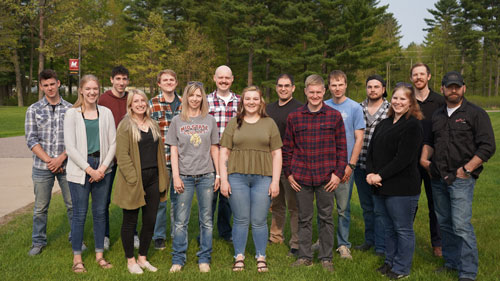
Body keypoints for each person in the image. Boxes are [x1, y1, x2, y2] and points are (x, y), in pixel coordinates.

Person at [421, 71, 495, 281]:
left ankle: (468, 272)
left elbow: (488, 146)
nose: (453, 90)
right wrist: (424, 160)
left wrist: (467, 170)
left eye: (457, 86)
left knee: (461, 225)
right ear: (442, 88)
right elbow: (429, 141)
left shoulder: (475, 113)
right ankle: (451, 262)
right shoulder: (437, 114)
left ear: (464, 88)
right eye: (449, 86)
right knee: (444, 222)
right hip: (437, 177)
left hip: (461, 179)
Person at [284, 74, 347, 272]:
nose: (315, 95)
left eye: (318, 92)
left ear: (323, 92)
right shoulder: (294, 117)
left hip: (326, 177)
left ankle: (326, 257)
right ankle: (304, 256)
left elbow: (342, 149)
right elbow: (287, 148)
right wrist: (289, 174)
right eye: (311, 92)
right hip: (301, 177)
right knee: (304, 217)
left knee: (326, 217)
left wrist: (337, 174)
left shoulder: (334, 116)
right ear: (305, 92)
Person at [220, 86, 282, 272]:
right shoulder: (234, 123)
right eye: (248, 98)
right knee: (240, 218)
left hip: (263, 178)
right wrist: (224, 179)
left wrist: (275, 181)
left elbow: (277, 153)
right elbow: (224, 152)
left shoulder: (269, 123)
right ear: (243, 101)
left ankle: (260, 256)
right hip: (237, 177)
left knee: (259, 219)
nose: (251, 102)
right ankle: (239, 255)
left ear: (261, 101)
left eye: (255, 98)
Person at [366, 83, 424, 279]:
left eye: (403, 99)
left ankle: (401, 268)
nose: (398, 102)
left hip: (402, 187)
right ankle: (390, 262)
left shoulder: (413, 124)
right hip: (380, 186)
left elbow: (403, 158)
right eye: (396, 98)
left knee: (402, 229)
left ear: (411, 103)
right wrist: (370, 173)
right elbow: (371, 150)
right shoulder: (384, 122)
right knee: (388, 227)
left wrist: (379, 176)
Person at [113, 89, 169, 274]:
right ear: (130, 105)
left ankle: (142, 258)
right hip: (133, 180)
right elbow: (121, 155)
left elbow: (160, 153)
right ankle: (131, 261)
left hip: (153, 177)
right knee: (130, 221)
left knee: (150, 220)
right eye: (136, 101)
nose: (140, 104)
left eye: (143, 100)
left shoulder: (152, 124)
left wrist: (163, 176)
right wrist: (133, 179)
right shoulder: (125, 125)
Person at [64, 74, 116, 273]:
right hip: (80, 169)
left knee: (100, 213)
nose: (92, 92)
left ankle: (99, 255)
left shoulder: (106, 113)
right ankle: (77, 258)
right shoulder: (72, 114)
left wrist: (102, 168)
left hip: (103, 167)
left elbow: (113, 143)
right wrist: (89, 170)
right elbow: (70, 147)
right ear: (81, 91)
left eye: (95, 89)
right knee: (79, 214)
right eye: (88, 89)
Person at [167, 82, 220, 273]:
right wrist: (175, 176)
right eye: (192, 95)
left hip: (206, 175)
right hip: (185, 177)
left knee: (206, 219)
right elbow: (173, 150)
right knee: (181, 221)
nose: (195, 99)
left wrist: (218, 174)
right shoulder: (177, 121)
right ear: (186, 97)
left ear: (203, 98)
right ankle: (178, 259)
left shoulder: (210, 120)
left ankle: (204, 258)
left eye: (199, 95)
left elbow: (215, 148)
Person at [25, 69, 74, 256]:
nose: (50, 88)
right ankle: (38, 241)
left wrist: (61, 158)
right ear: (41, 87)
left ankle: (75, 238)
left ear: (58, 83)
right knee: (40, 208)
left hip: (67, 164)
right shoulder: (34, 110)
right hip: (41, 167)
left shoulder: (71, 109)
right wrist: (49, 161)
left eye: (52, 84)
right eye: (45, 85)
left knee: (72, 205)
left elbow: (76, 139)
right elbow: (31, 139)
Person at [322, 70, 365, 259]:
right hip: (324, 166)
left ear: (346, 85)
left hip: (345, 166)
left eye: (340, 84)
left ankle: (343, 244)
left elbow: (359, 138)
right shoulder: (323, 106)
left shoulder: (355, 108)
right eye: (333, 85)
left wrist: (351, 165)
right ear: (328, 87)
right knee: (324, 207)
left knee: (343, 208)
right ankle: (324, 240)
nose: (337, 88)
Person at [98, 65, 138, 249]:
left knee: (131, 197)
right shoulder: (103, 99)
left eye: (125, 79)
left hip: (128, 156)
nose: (121, 83)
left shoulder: (131, 98)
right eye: (118, 79)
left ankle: (133, 233)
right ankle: (104, 235)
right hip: (108, 157)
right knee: (103, 199)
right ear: (112, 80)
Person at [410, 63, 445, 257]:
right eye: (415, 75)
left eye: (422, 74)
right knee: (409, 203)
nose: (419, 78)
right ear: (411, 78)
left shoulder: (439, 101)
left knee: (435, 204)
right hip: (410, 162)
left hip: (433, 161)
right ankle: (405, 240)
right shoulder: (407, 100)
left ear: (429, 76)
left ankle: (438, 244)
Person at [353, 74, 390, 256]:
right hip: (360, 165)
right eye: (370, 87)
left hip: (381, 167)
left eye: (377, 87)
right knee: (367, 207)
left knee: (380, 207)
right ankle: (370, 240)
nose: (373, 90)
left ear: (383, 89)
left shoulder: (391, 109)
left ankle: (382, 245)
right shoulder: (357, 108)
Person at [267, 74, 303, 257]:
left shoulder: (299, 109)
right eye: (280, 85)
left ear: (293, 88)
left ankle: (296, 242)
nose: (283, 88)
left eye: (287, 85)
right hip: (271, 163)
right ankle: (275, 236)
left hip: (291, 165)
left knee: (294, 205)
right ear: (276, 88)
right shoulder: (268, 109)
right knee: (276, 203)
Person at [150, 69, 182, 250]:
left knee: (178, 200)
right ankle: (158, 235)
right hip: (160, 160)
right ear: (159, 84)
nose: (169, 82)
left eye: (172, 79)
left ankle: (177, 233)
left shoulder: (185, 105)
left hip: (181, 161)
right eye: (165, 80)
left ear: (176, 83)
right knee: (161, 200)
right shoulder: (152, 104)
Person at [207, 65, 239, 242]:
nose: (224, 81)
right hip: (210, 155)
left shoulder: (240, 102)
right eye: (221, 77)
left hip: (232, 156)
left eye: (227, 78)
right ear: (214, 78)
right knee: (209, 195)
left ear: (232, 79)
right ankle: (206, 231)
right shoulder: (206, 101)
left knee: (227, 196)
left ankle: (225, 231)